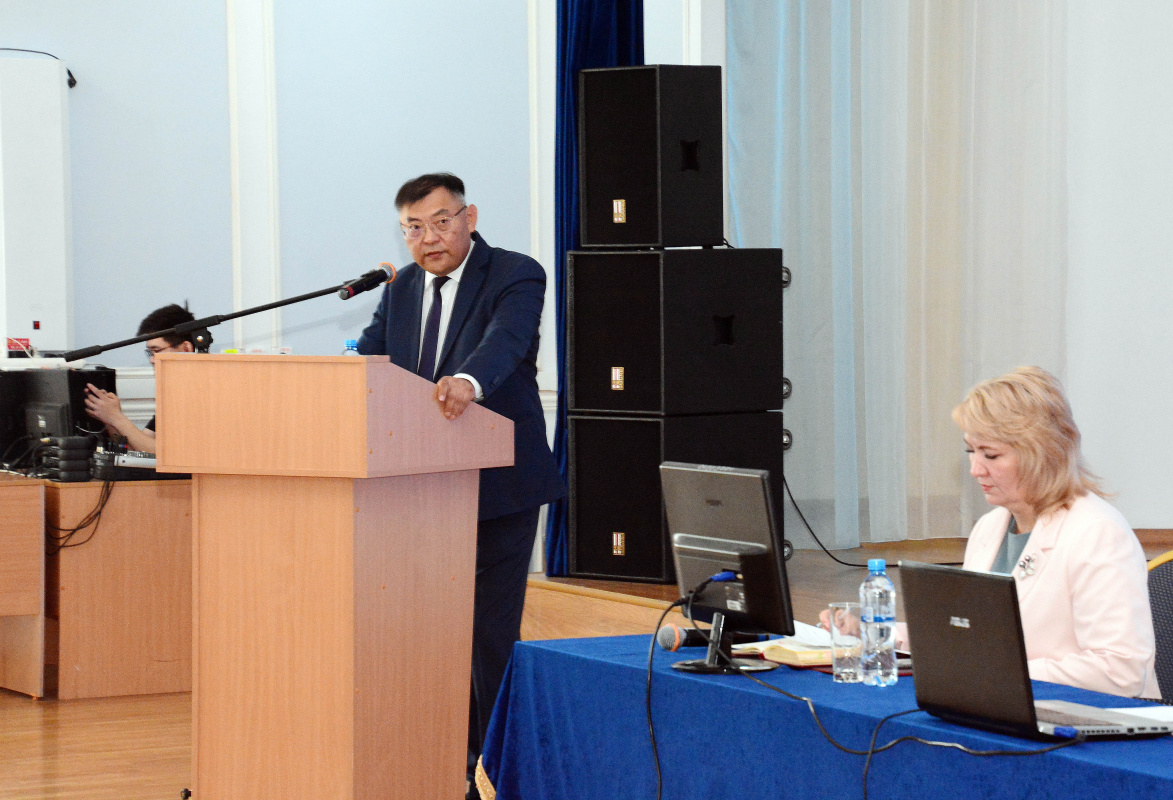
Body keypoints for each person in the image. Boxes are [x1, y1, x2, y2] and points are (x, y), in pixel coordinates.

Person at [355, 173, 565, 797]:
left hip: (497, 486)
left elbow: (506, 342)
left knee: (486, 636)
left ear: (469, 217)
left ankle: (496, 766)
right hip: (414, 491)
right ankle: (434, 761)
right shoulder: (400, 289)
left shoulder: (515, 273)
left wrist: (467, 383)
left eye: (441, 222)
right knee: (424, 632)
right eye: (413, 228)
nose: (429, 239)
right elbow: (370, 361)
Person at [822, 366, 1160, 699]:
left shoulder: (1098, 533)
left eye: (991, 455)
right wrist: (874, 633)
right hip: (1005, 705)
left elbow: (1121, 672)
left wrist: (996, 671)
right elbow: (968, 638)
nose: (975, 469)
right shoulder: (989, 528)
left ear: (1043, 454)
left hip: (1091, 720)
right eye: (971, 451)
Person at [83, 303, 196, 454]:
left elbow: (165, 454)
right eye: (150, 353)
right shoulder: (172, 394)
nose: (152, 360)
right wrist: (108, 418)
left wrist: (117, 418)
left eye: (157, 351)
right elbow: (139, 448)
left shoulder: (199, 395)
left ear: (186, 349)